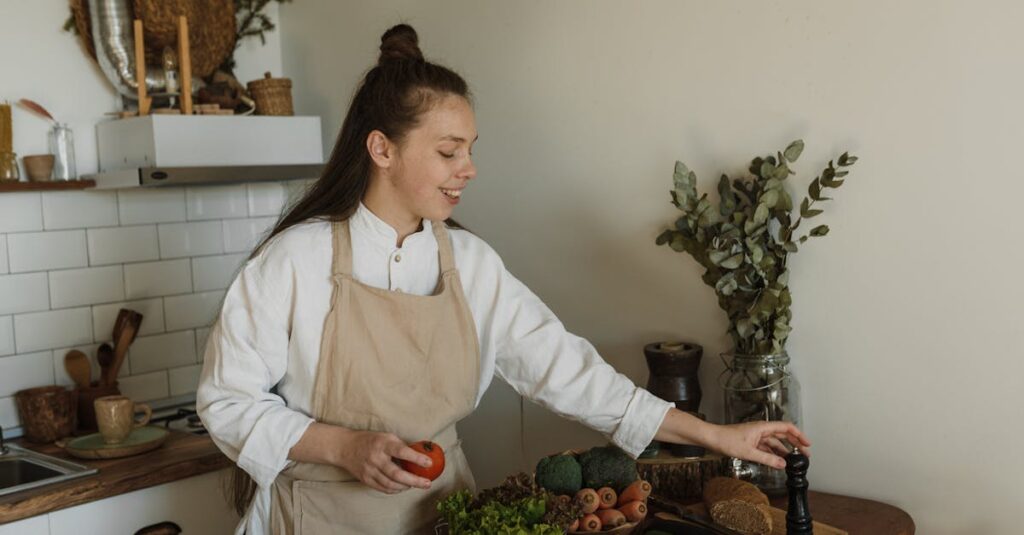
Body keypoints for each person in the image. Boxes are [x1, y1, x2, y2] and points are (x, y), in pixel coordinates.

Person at [197, 23, 810, 535]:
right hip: (314, 518)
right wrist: (343, 446)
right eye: (448, 151)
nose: (469, 169)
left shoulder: (470, 264)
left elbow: (570, 374)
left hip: (444, 515)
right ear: (381, 149)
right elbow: (225, 402)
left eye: (470, 149)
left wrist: (715, 435)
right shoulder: (294, 261)